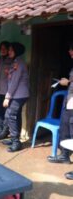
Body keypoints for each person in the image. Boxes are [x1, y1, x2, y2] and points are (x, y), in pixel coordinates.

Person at [48, 43, 73, 180]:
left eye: (72, 49)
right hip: (69, 103)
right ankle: (64, 155)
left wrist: (68, 83)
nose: (70, 51)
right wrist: (68, 81)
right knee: (65, 130)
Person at [1, 42, 29, 152]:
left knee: (11, 115)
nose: (9, 52)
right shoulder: (16, 62)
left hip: (19, 94)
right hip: (18, 94)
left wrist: (7, 97)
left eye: (11, 50)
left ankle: (16, 142)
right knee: (14, 115)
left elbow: (15, 82)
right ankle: (14, 140)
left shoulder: (19, 63)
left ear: (16, 51)